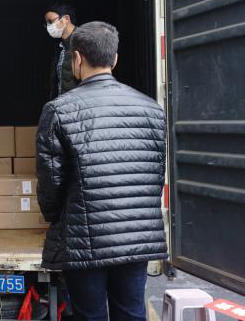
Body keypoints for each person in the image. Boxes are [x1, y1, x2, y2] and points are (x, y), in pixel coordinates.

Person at [35, 22, 167, 321]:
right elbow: (156, 176)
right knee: (131, 312)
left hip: (85, 239)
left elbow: (51, 183)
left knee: (89, 315)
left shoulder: (59, 110)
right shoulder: (151, 108)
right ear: (114, 59)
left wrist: (55, 218)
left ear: (77, 58)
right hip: (137, 234)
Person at [44, 3, 78, 98]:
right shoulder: (59, 46)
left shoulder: (85, 43)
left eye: (50, 21)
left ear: (66, 19)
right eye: (46, 23)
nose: (48, 27)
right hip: (61, 103)